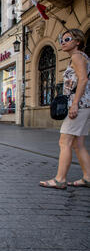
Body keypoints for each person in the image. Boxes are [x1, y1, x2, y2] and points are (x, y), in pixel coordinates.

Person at [40, 29, 90, 189]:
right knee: (78, 144)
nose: (63, 42)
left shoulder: (77, 57)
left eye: (67, 39)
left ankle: (60, 179)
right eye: (62, 39)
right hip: (84, 104)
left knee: (65, 142)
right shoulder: (82, 57)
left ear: (78, 42)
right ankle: (88, 177)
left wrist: (74, 104)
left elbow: (83, 79)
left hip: (79, 105)